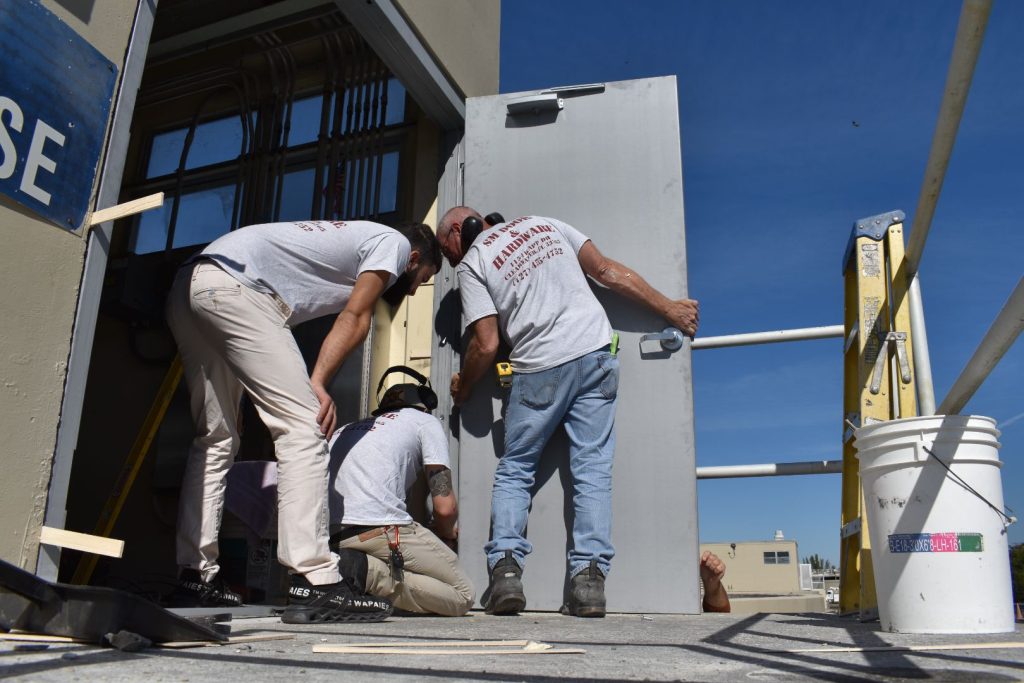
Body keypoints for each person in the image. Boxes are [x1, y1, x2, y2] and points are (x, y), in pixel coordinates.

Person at [165, 219, 440, 624]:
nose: (415, 289)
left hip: (191, 286)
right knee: (303, 427)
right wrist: (317, 383)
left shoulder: (349, 238)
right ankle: (314, 580)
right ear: (414, 258)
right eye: (422, 277)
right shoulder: (395, 244)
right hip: (238, 288)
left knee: (217, 437)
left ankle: (195, 574)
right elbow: (357, 315)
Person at [438, 207, 700, 617]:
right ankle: (589, 584)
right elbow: (608, 272)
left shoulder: (474, 261)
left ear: (460, 230)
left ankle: (506, 573)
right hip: (596, 355)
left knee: (515, 469)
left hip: (540, 368)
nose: (451, 258)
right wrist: (670, 310)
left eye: (447, 248)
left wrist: (464, 387)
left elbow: (485, 344)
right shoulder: (546, 224)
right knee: (592, 470)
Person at [326, 366, 475, 617]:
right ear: (425, 405)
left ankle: (351, 566)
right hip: (381, 531)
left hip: (333, 535)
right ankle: (367, 572)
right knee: (462, 594)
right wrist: (447, 534)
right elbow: (445, 508)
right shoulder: (424, 421)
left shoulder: (346, 429)